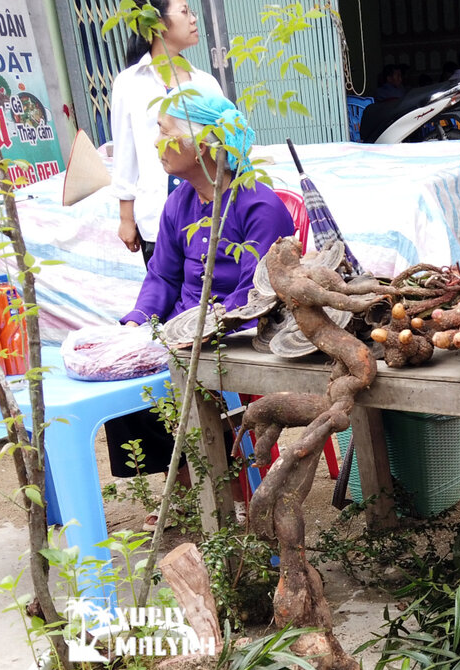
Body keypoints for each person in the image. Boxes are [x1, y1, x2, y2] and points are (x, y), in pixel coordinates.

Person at [111, 87, 293, 526]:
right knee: (126, 381)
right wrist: (140, 323)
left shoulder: (259, 205)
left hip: (241, 332)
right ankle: (192, 486)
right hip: (185, 330)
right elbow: (162, 276)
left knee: (195, 380)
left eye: (164, 130)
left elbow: (260, 294)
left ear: (205, 143)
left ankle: (233, 491)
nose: (156, 143)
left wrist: (203, 327)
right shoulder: (180, 202)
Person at [110, 0, 223, 266]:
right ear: (157, 21)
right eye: (185, 12)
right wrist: (127, 218)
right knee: (167, 296)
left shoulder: (206, 83)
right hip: (156, 219)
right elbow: (125, 153)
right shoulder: (129, 83)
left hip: (211, 216)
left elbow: (223, 147)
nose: (194, 19)